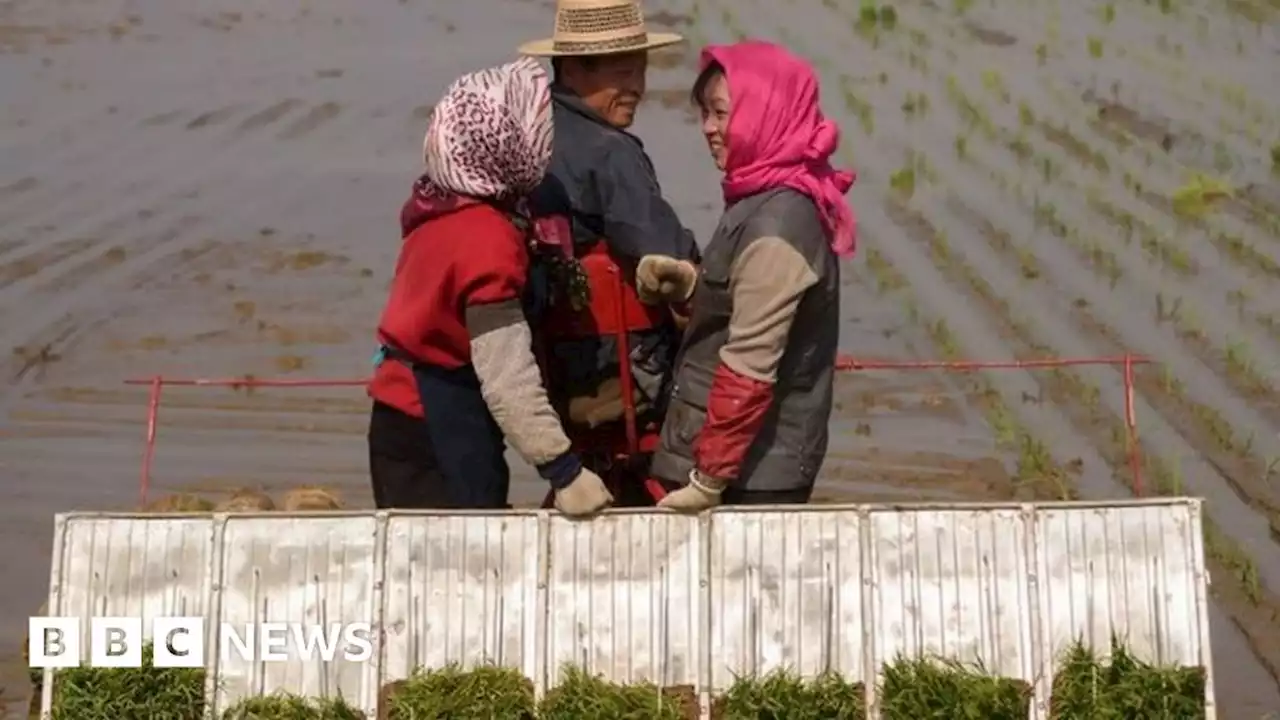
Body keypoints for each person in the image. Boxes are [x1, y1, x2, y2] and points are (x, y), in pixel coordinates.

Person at [365, 57, 613, 517]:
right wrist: (564, 471)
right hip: (436, 426)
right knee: (458, 567)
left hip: (400, 416)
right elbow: (505, 373)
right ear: (508, 141)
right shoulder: (487, 239)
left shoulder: (437, 204)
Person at [641, 40, 857, 511]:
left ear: (765, 113)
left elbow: (750, 364)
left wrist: (708, 481)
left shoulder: (780, 224)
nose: (709, 129)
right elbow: (745, 304)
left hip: (752, 476)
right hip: (732, 456)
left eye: (721, 114)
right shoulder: (759, 195)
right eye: (705, 114)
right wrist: (691, 287)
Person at [516, 0, 702, 506]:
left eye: (641, 70)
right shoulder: (610, 152)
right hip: (615, 377)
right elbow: (668, 250)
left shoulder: (524, 138)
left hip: (544, 371)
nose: (638, 86)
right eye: (624, 71)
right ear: (573, 69)